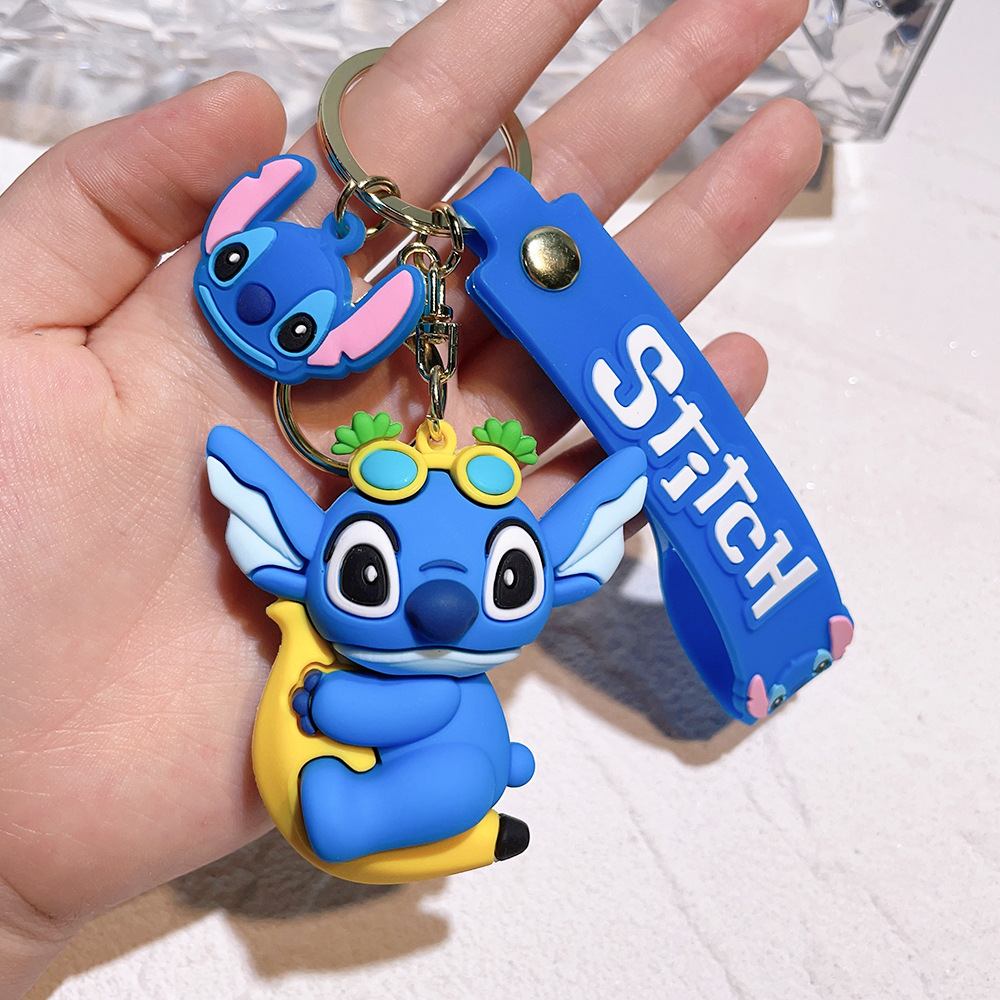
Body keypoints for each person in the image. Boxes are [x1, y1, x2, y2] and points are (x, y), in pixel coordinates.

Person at [0, 0, 819, 995]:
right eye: (368, 571)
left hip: (448, 769)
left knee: (430, 786)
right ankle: (384, 820)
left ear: (566, 568)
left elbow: (397, 695)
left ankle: (379, 822)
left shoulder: (422, 669)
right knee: (418, 782)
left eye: (507, 578)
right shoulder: (353, 612)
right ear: (292, 557)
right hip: (407, 755)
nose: (438, 606)